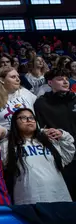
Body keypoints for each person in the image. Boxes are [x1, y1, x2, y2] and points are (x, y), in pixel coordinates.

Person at [4, 108, 74, 205]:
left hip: (59, 196)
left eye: (31, 118)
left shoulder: (49, 140)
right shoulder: (9, 145)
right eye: (23, 118)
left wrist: (62, 134)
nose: (29, 120)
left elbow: (68, 152)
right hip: (28, 199)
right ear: (14, 122)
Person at [34, 68, 76, 199]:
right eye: (60, 79)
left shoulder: (74, 99)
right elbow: (41, 130)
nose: (65, 82)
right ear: (50, 83)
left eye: (66, 79)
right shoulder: (41, 103)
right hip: (63, 156)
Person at [0, 67, 36, 131]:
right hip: (6, 139)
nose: (18, 79)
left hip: (31, 136)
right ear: (2, 80)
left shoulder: (25, 92)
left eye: (18, 76)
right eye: (13, 77)